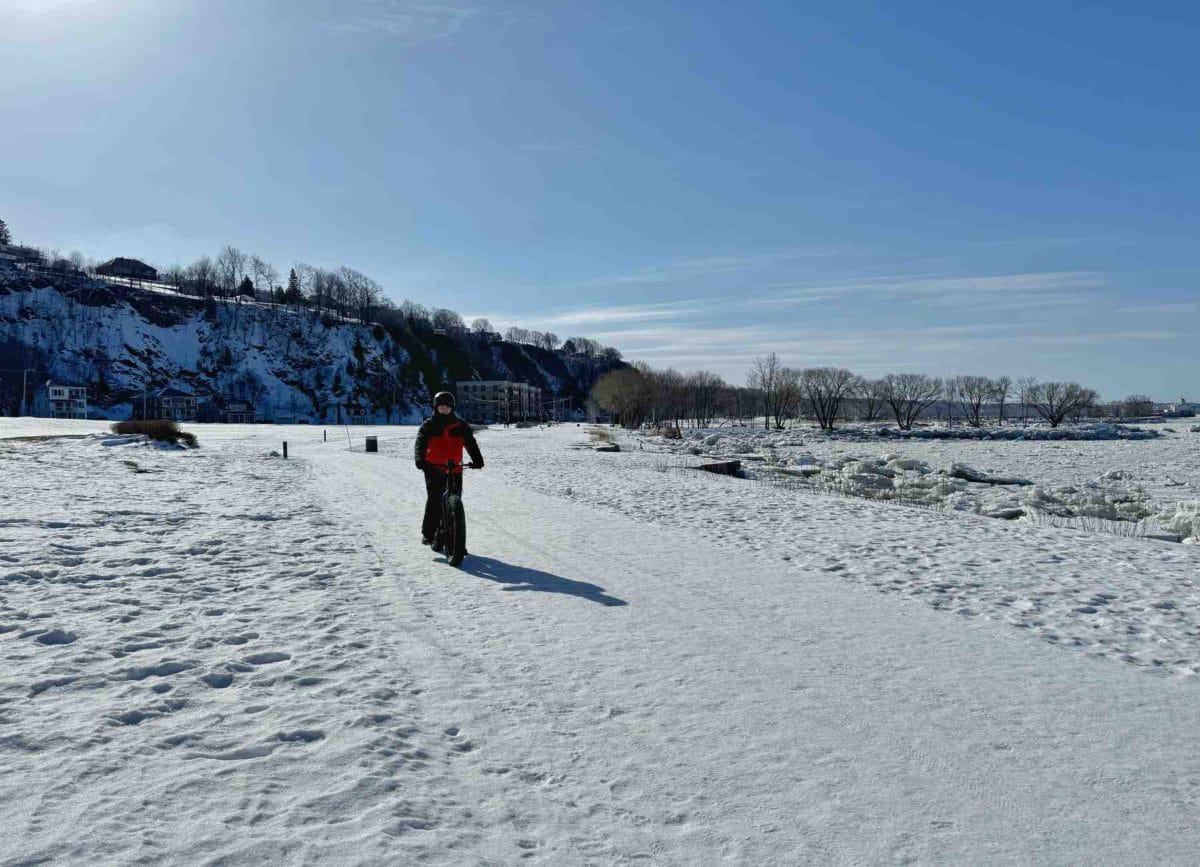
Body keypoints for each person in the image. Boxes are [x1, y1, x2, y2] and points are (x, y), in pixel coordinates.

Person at [414, 391, 484, 548]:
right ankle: (429, 533)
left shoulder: (460, 425)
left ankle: (456, 540)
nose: (444, 409)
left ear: (452, 408)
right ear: (436, 407)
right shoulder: (429, 425)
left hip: (455, 468)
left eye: (447, 407)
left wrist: (478, 460)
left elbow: (470, 444)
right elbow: (420, 444)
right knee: (435, 499)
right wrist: (420, 459)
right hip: (434, 467)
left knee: (456, 500)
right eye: (441, 407)